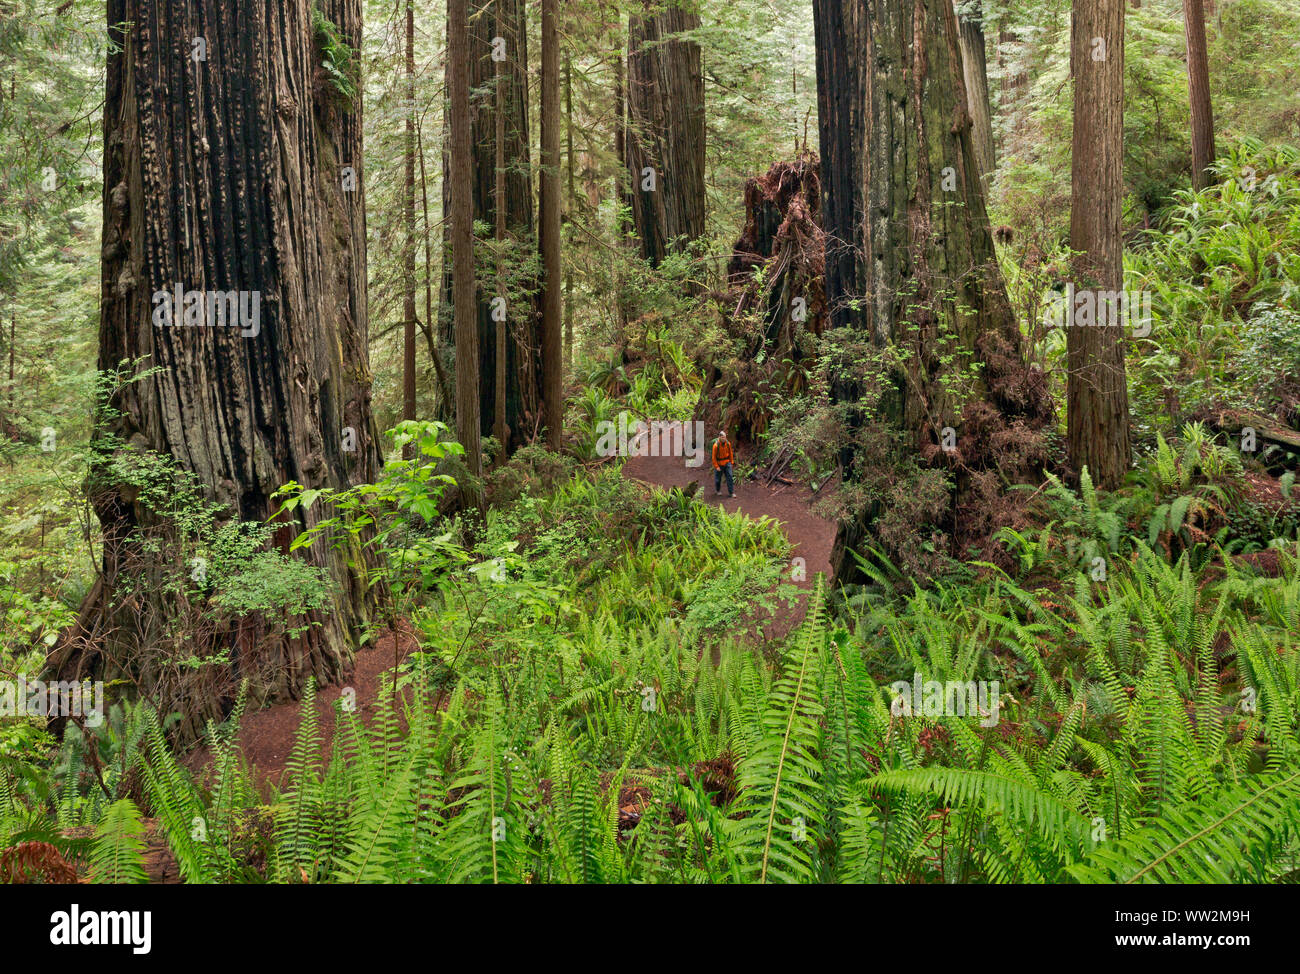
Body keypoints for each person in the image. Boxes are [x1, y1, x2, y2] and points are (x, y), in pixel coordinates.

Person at [711, 429, 735, 497]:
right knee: (718, 479)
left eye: (725, 437)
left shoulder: (728, 444)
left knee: (730, 477)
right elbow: (713, 457)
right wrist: (716, 466)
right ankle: (718, 490)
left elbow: (730, 453)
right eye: (723, 437)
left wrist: (731, 462)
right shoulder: (715, 446)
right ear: (719, 437)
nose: (724, 439)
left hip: (727, 463)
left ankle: (731, 493)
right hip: (719, 464)